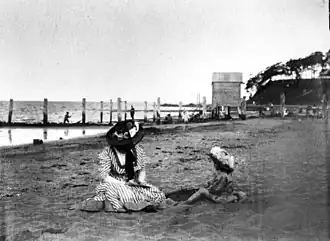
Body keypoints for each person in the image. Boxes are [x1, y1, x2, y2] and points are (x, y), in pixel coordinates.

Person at [76, 120, 166, 212]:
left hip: (132, 183)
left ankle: (137, 203)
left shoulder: (138, 151)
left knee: (156, 193)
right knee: (122, 193)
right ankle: (128, 204)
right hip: (114, 183)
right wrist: (122, 184)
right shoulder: (108, 153)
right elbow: (104, 176)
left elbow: (142, 170)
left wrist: (140, 181)